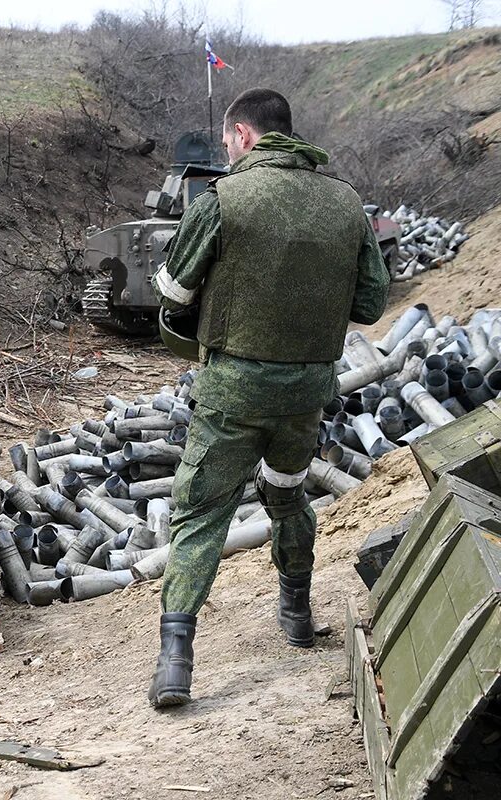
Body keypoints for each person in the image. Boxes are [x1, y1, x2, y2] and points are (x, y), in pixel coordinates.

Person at [147, 88, 391, 708]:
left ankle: (176, 661)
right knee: (287, 495)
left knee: (201, 512)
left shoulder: (222, 199)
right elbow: (369, 305)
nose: (227, 149)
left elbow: (172, 297)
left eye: (229, 139)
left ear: (245, 135)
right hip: (306, 393)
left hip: (232, 391)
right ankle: (298, 614)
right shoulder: (346, 204)